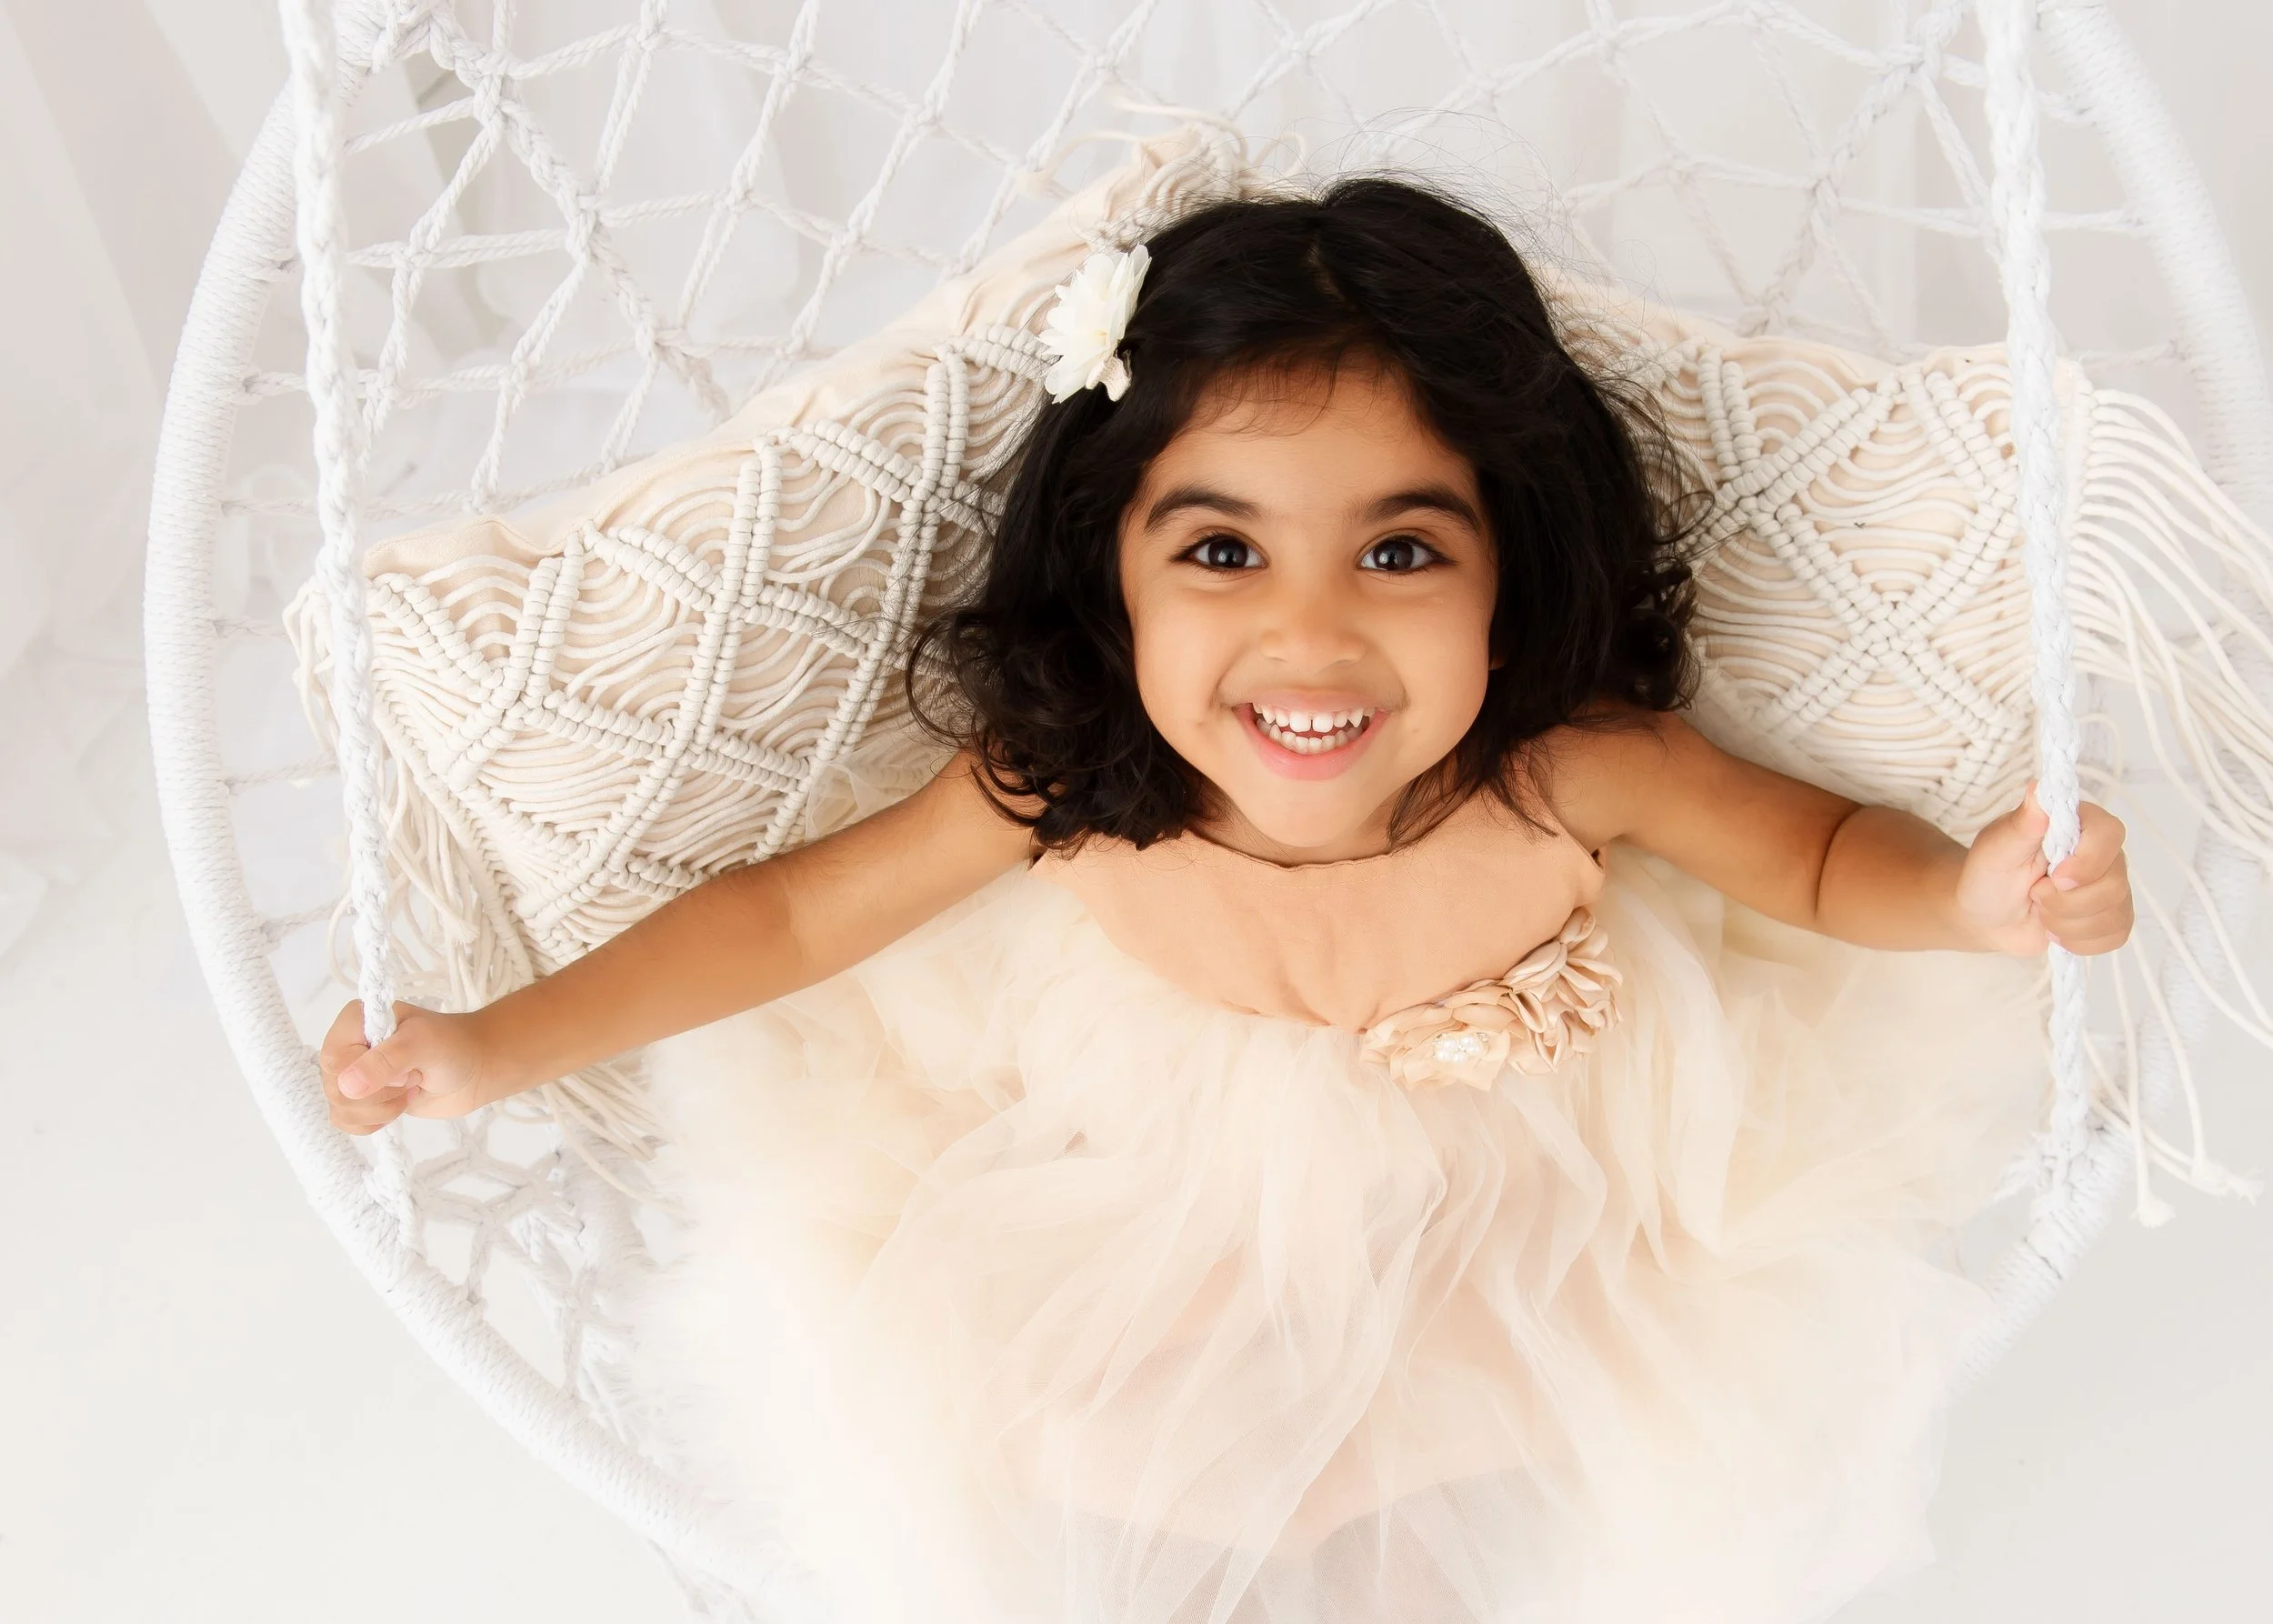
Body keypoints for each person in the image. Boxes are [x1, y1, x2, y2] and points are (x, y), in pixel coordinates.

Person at [318, 179, 2131, 1623]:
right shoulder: (1069, 780)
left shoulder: (1568, 764)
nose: (1308, 634)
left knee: (1507, 1445)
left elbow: (1812, 854)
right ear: (1109, 571)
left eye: (1399, 549)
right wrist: (493, 1042)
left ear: (1512, 572)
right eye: (1220, 549)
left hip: (1525, 1176)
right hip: (1163, 1172)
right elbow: (792, 919)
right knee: (1088, 1436)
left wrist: (1970, 894)